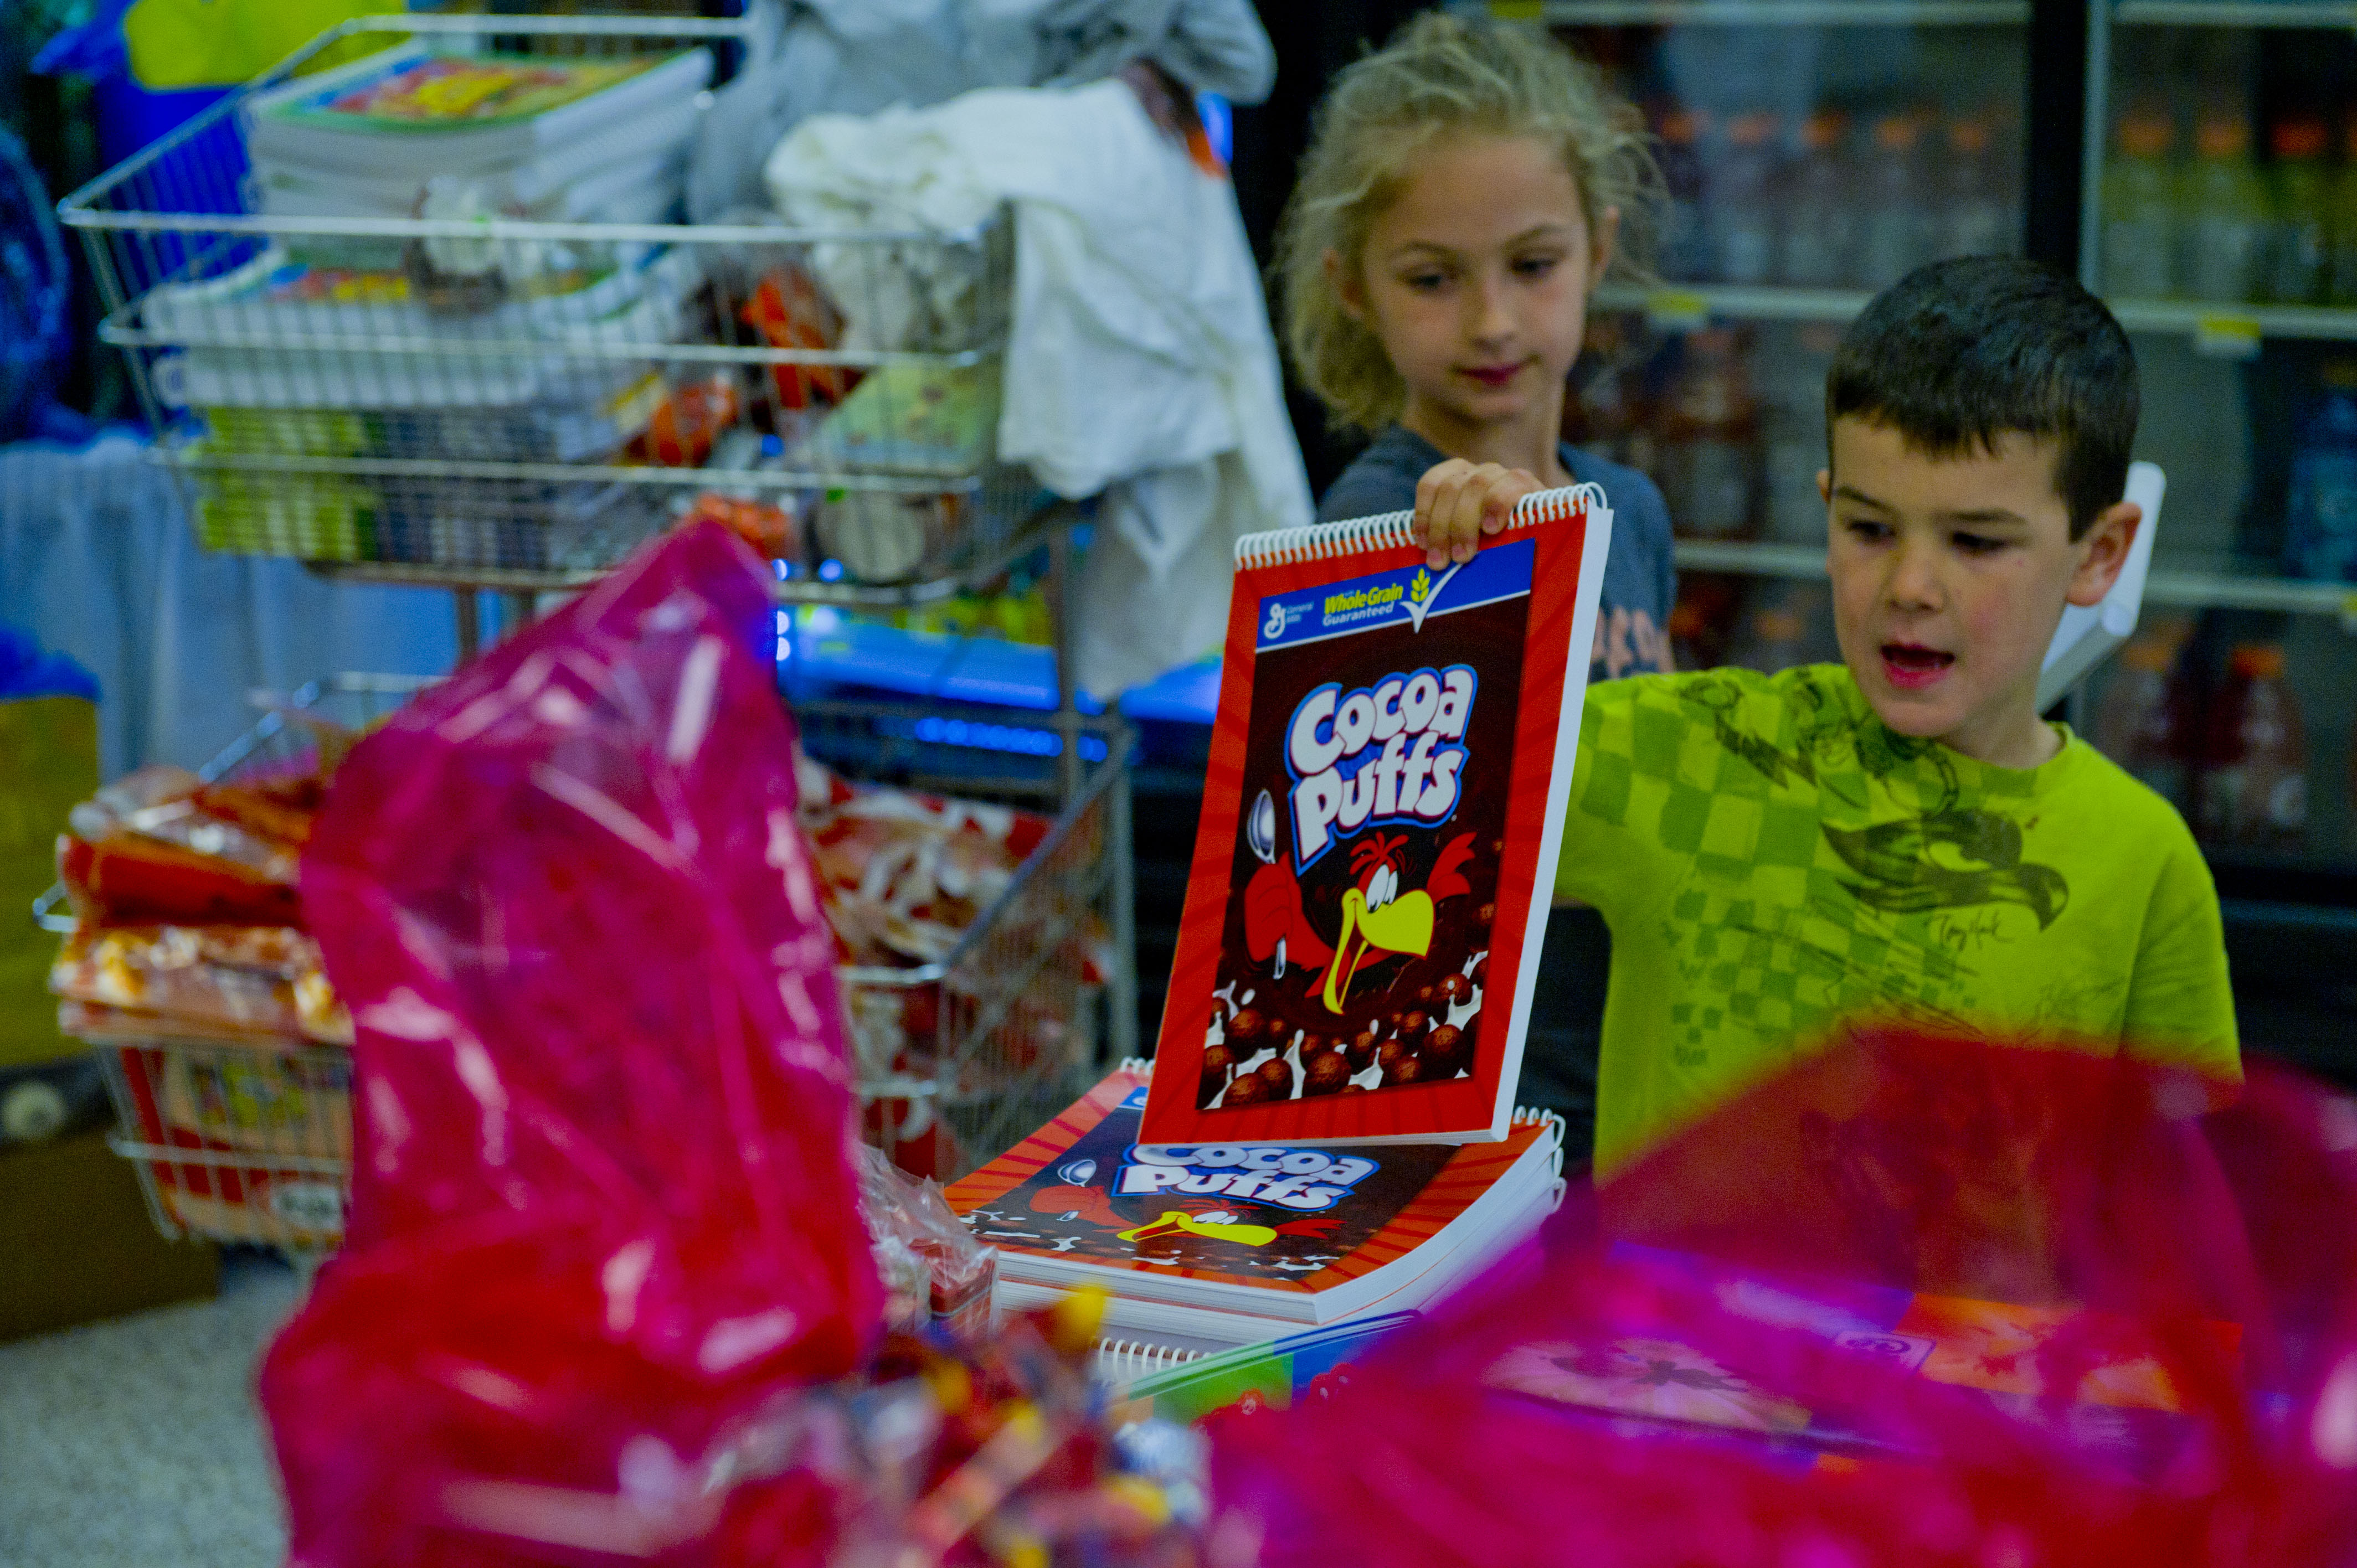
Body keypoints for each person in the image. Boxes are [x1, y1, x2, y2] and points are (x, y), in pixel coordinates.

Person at [1414, 255, 2240, 1177]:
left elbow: (2187, 1232)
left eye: (1975, 542)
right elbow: (1383, 825)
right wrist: (1476, 610)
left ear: (2101, 554)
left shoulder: (2143, 862)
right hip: (1668, 1326)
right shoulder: (1683, 754)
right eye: (1870, 528)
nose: (1911, 587)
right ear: (1826, 509)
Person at [1273, 13, 1674, 1153]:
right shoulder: (1376, 523)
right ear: (1352, 287)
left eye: (1532, 266)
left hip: (1626, 1085)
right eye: (1433, 279)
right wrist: (1445, 561)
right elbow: (1345, 856)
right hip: (1456, 1118)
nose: (1492, 321)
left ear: (1598, 248)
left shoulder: (1631, 513)